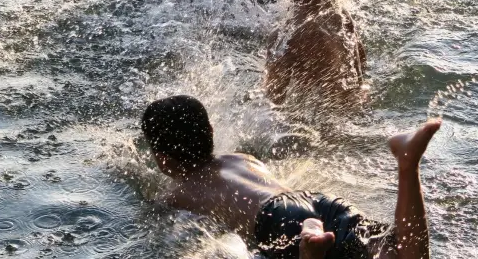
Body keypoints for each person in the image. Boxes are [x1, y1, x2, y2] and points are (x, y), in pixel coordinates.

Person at [141, 95, 441, 259]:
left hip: (277, 221)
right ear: (210, 131)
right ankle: (407, 164)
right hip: (317, 201)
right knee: (403, 253)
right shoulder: (241, 159)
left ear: (162, 157)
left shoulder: (177, 195)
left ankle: (310, 251)